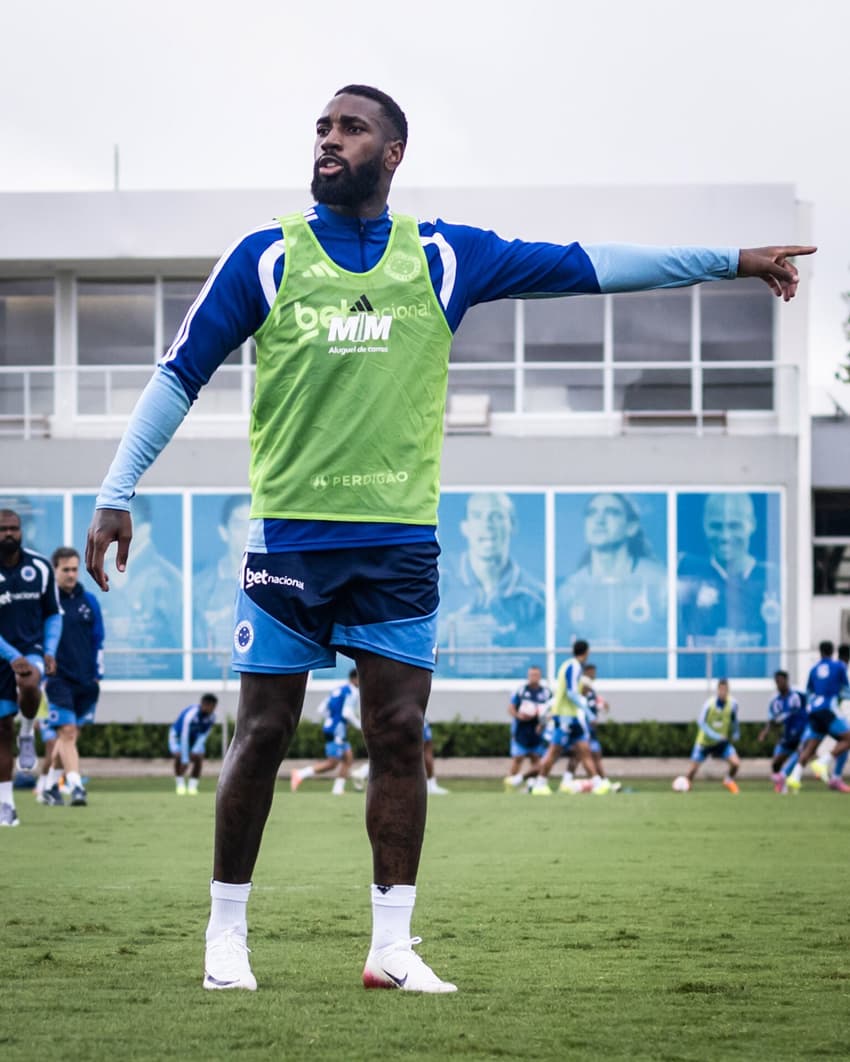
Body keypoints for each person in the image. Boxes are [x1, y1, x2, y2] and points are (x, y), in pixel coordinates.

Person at [83, 83, 815, 993]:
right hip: (290, 543)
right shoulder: (267, 257)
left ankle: (392, 946)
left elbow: (588, 263)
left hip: (400, 547)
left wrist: (729, 259)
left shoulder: (444, 257)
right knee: (263, 730)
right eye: (322, 127)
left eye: (350, 129)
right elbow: (177, 372)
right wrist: (117, 492)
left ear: (392, 153)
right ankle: (225, 932)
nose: (329, 140)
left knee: (399, 732)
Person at [556, 493, 667, 678]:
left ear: (631, 527)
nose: (599, 520)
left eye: (612, 512)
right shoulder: (569, 590)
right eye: (592, 513)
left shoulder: (658, 582)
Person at [438, 493, 545, 678]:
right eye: (478, 516)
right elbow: (407, 641)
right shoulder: (439, 580)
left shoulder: (535, 596)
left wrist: (511, 638)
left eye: (496, 516)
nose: (487, 525)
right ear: (465, 527)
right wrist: (450, 632)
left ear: (512, 525)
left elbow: (539, 660)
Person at [0, 509, 62, 826]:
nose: (8, 534)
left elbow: (53, 613)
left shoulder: (39, 567)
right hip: (3, 654)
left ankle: (28, 731)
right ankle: (6, 803)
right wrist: (11, 656)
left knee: (29, 683)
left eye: (13, 529)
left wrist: (48, 651)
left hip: (32, 649)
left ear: (21, 531)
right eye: (2, 529)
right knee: (1, 731)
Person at [678, 493, 781, 678]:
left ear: (752, 524)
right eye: (716, 526)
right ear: (704, 525)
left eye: (735, 526)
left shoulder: (772, 578)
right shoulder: (687, 574)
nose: (725, 536)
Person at [41, 547, 105, 808]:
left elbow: (98, 639)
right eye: (65, 569)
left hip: (86, 680)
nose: (70, 574)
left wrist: (98, 675)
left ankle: (48, 788)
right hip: (57, 679)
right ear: (54, 570)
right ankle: (76, 786)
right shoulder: (46, 603)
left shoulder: (89, 601)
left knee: (69, 737)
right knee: (66, 731)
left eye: (74, 569)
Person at [101, 494, 183, 680]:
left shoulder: (169, 580)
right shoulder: (92, 574)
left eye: (115, 529)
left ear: (143, 530)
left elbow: (177, 643)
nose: (106, 536)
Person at [527, 640, 609, 795]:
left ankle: (598, 783)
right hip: (564, 717)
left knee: (584, 750)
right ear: (586, 652)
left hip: (571, 716)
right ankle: (540, 783)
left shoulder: (570, 665)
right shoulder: (574, 666)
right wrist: (588, 712)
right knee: (554, 751)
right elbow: (571, 692)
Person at [776, 641, 850, 794]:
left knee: (809, 747)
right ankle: (824, 762)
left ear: (820, 652)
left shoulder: (814, 669)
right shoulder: (839, 666)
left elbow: (809, 692)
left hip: (814, 710)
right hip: (828, 709)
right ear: (832, 652)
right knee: (847, 739)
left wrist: (811, 707)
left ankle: (793, 777)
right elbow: (845, 689)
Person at [193, 495, 251, 679]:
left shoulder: (276, 582)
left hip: (257, 674)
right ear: (224, 532)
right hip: (213, 675)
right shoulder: (200, 587)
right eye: (239, 525)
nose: (248, 532)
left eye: (253, 523)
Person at [291, 670, 360, 795]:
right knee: (332, 763)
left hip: (332, 727)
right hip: (337, 730)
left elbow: (321, 708)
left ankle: (337, 790)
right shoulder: (352, 691)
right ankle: (300, 774)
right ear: (355, 679)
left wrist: (332, 719)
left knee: (348, 758)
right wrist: (359, 726)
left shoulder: (339, 690)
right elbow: (347, 713)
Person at [351, 715, 448, 795]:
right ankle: (430, 785)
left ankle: (364, 771)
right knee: (424, 749)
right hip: (412, 715)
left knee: (396, 752)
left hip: (398, 715)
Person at [680, 678, 741, 793]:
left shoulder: (733, 704)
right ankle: (685, 788)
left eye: (725, 690)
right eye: (721, 689)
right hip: (704, 742)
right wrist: (715, 735)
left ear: (728, 690)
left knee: (736, 763)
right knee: (692, 771)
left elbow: (734, 720)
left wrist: (736, 732)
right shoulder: (709, 704)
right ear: (718, 690)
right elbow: (701, 723)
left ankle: (728, 780)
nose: (723, 692)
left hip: (721, 744)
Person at [503, 665, 552, 790]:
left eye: (536, 675)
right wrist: (519, 716)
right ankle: (509, 784)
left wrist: (542, 722)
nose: (533, 677)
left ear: (540, 676)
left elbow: (551, 711)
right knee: (518, 758)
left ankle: (531, 787)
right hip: (522, 731)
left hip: (538, 732)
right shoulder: (521, 691)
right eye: (531, 675)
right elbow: (511, 708)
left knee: (536, 759)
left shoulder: (546, 693)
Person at [757, 670, 807, 780]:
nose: (778, 684)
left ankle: (784, 776)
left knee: (801, 753)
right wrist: (765, 732)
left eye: (780, 681)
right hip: (787, 736)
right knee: (776, 763)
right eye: (776, 682)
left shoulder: (799, 694)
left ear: (786, 681)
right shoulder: (775, 701)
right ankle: (781, 783)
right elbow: (772, 719)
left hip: (801, 733)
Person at [170, 694, 219, 795]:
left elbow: (203, 736)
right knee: (179, 756)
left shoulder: (212, 717)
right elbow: (184, 735)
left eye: (214, 707)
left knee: (199, 757)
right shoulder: (191, 714)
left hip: (195, 739)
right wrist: (185, 759)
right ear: (204, 704)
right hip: (178, 737)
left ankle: (192, 787)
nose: (213, 709)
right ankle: (180, 785)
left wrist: (195, 750)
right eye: (212, 706)